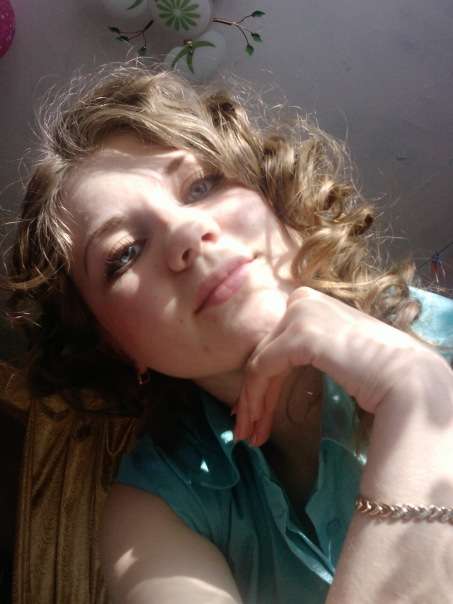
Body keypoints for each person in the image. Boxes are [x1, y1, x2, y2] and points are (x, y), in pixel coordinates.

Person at [4, 62, 453, 604]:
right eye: (124, 253)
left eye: (203, 185)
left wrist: (421, 383)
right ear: (112, 344)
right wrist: (418, 403)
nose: (187, 231)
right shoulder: (153, 518)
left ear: (270, 195)